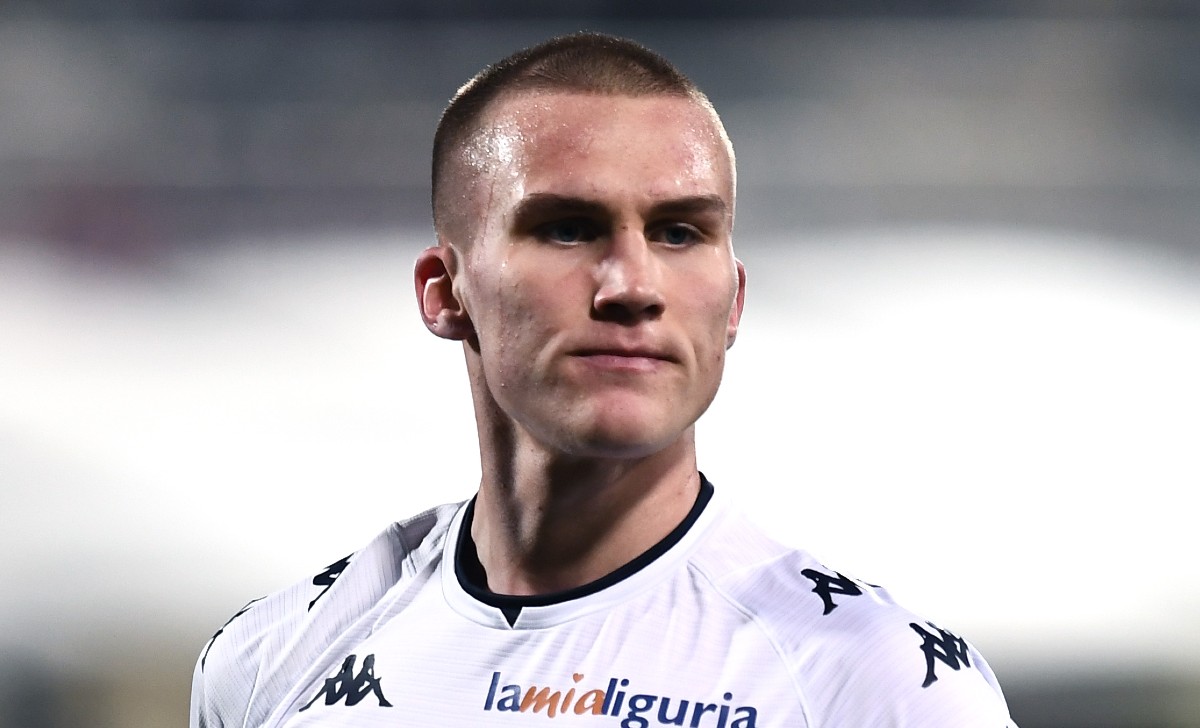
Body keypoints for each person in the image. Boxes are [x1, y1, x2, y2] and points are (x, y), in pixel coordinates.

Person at [190, 32, 1018, 727]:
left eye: (680, 232)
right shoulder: (272, 660)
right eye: (568, 228)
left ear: (733, 301)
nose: (632, 285)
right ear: (446, 292)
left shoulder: (879, 688)